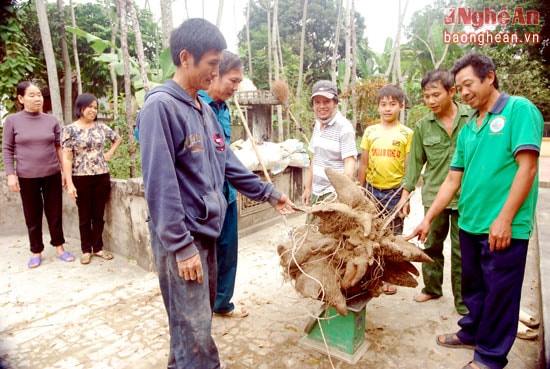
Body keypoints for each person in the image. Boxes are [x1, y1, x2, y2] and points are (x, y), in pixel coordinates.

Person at [136, 18, 296, 369]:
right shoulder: (160, 107)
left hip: (206, 233)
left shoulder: (203, 109)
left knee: (193, 324)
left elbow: (227, 163)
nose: (215, 72)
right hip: (184, 239)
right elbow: (159, 185)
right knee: (195, 332)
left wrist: (270, 193)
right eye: (211, 64)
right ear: (185, 58)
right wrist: (180, 246)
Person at [407, 53, 543, 369]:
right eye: (460, 87)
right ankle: (471, 332)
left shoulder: (518, 110)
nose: (465, 92)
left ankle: (490, 357)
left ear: (489, 77)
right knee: (474, 289)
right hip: (470, 223)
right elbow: (453, 179)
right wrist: (427, 217)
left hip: (504, 227)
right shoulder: (470, 129)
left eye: (469, 84)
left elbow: (528, 168)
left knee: (500, 295)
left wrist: (505, 219)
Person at [397, 69, 470, 315]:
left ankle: (463, 300)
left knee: (463, 251)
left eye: (435, 95)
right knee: (431, 245)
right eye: (426, 96)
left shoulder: (472, 119)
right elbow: (415, 165)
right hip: (434, 197)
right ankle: (432, 288)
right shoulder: (422, 126)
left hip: (467, 199)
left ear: (452, 92)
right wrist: (405, 196)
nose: (430, 101)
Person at [2, 81, 74, 268]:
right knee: (32, 214)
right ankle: (36, 251)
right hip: (26, 176)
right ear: (21, 98)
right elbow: (7, 149)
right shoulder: (12, 121)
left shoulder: (51, 120)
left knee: (55, 212)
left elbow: (59, 147)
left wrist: (65, 173)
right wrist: (10, 174)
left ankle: (60, 247)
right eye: (32, 95)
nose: (37, 98)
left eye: (39, 95)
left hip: (51, 173)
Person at [198, 50, 248, 319]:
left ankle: (222, 304)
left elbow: (225, 153)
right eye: (233, 80)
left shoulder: (224, 109)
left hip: (226, 193)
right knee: (203, 257)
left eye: (239, 82)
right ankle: (201, 311)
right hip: (202, 200)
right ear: (215, 74)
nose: (236, 87)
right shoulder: (191, 102)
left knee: (228, 253)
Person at [357, 84, 413, 295]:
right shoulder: (370, 132)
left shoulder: (407, 134)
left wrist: (405, 197)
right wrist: (360, 190)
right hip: (372, 190)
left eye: (392, 104)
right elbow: (363, 164)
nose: (387, 108)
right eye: (383, 104)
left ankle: (390, 277)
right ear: (378, 107)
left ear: (401, 106)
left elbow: (410, 168)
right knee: (370, 233)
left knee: (392, 237)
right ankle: (372, 276)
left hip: (395, 192)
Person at [61, 93, 122, 265]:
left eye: (96, 107)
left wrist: (109, 153)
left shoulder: (101, 127)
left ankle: (99, 248)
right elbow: (66, 158)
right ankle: (86, 249)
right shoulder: (70, 130)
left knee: (98, 214)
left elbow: (117, 139)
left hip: (101, 175)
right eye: (90, 107)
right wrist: (70, 183)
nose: (93, 110)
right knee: (84, 216)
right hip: (80, 178)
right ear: (80, 108)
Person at [301, 80, 357, 209]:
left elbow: (350, 162)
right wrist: (308, 188)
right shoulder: (318, 124)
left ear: (335, 103)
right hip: (317, 192)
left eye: (327, 102)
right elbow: (315, 158)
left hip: (333, 194)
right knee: (312, 228)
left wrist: (342, 194)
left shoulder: (344, 127)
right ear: (313, 104)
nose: (322, 106)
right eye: (317, 102)